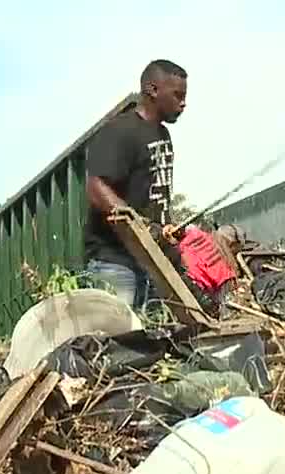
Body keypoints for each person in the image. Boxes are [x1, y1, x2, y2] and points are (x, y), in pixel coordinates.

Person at [83, 59, 188, 310]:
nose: (183, 103)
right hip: (115, 263)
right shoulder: (120, 131)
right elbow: (96, 187)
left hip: (150, 261)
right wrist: (140, 225)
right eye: (177, 95)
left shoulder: (162, 135)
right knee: (117, 341)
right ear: (153, 90)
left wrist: (165, 227)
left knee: (150, 342)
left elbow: (153, 196)